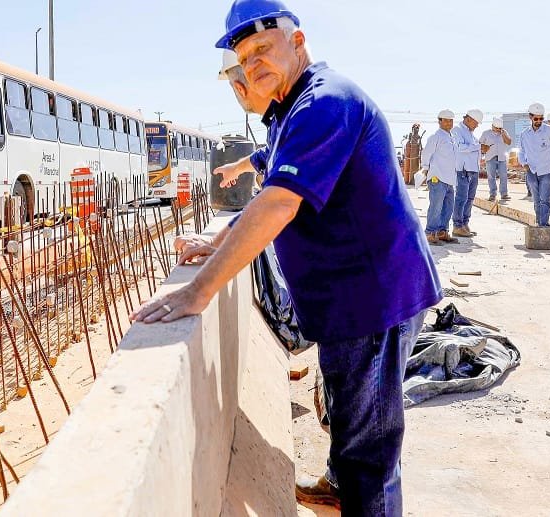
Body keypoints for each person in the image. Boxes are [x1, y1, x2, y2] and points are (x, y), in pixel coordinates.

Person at [133, 1, 442, 514]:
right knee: (349, 412)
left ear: (297, 43)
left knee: (371, 450)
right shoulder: (289, 108)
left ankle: (362, 496)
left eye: (262, 50)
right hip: (346, 300)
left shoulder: (325, 102)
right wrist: (223, 236)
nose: (252, 66)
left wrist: (198, 289)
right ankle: (341, 486)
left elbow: (278, 202)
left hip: (375, 298)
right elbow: (271, 180)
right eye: (243, 58)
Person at [421, 109, 459, 245]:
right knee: (436, 207)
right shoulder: (435, 137)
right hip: (437, 177)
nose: (449, 123)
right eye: (446, 120)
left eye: (451, 120)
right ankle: (430, 233)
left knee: (448, 207)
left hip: (450, 179)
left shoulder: (451, 138)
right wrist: (425, 169)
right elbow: (426, 154)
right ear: (440, 121)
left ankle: (443, 232)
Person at [518, 103, 550, 227]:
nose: (539, 121)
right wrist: (524, 164)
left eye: (541, 118)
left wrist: (549, 160)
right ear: (530, 117)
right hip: (531, 171)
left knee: (545, 199)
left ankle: (544, 224)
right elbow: (521, 151)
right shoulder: (525, 134)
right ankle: (538, 221)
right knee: (536, 199)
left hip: (546, 170)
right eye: (536, 118)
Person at [452, 109, 483, 237]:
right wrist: (479, 147)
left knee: (469, 199)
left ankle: (464, 224)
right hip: (463, 170)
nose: (476, 126)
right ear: (469, 119)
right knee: (461, 198)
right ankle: (457, 226)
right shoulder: (457, 130)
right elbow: (460, 147)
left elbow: (474, 150)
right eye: (476, 123)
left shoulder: (471, 134)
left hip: (473, 170)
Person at [478, 117, 511, 201]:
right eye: (496, 128)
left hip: (502, 158)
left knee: (503, 176)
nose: (498, 130)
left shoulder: (504, 132)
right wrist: (484, 148)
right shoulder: (486, 133)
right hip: (490, 158)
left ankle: (504, 194)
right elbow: (479, 144)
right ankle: (492, 194)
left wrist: (503, 134)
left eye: (499, 128)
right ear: (492, 126)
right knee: (491, 177)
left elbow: (509, 142)